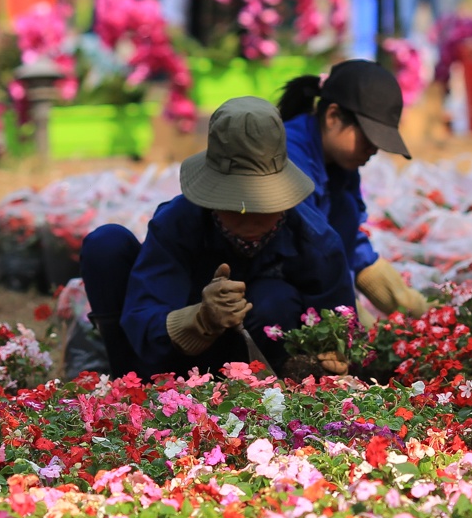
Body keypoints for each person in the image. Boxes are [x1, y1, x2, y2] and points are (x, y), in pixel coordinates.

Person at [82, 97, 353, 377]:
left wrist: (330, 357)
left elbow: (338, 325)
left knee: (274, 298)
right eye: (235, 205)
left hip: (261, 368)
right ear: (211, 198)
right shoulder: (177, 223)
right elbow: (143, 316)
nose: (250, 217)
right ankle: (126, 383)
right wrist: (201, 319)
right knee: (106, 245)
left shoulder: (316, 240)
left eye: (264, 206)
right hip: (170, 364)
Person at [275, 61, 428, 316]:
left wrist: (398, 296)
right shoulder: (288, 156)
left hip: (315, 270)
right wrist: (345, 313)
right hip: (274, 279)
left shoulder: (340, 161)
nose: (374, 150)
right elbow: (312, 246)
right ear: (333, 117)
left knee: (345, 205)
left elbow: (347, 233)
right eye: (369, 137)